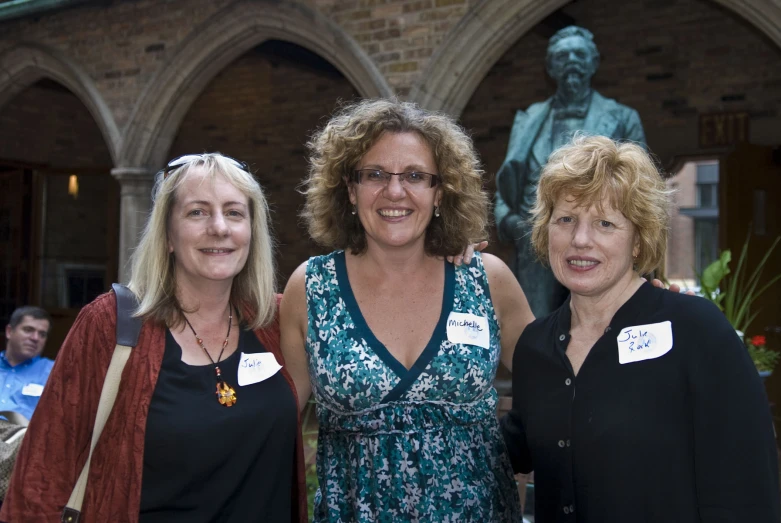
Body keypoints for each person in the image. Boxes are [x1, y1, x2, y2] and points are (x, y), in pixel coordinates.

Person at [1, 154, 307, 522]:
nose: (219, 227)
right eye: (197, 212)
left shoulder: (279, 320)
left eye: (235, 212)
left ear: (252, 232)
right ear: (167, 236)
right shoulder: (110, 324)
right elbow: (43, 472)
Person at [501, 135, 780, 522]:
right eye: (565, 219)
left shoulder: (695, 331)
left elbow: (748, 490)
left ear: (637, 240)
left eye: (605, 223)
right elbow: (519, 444)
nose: (580, 240)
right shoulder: (536, 346)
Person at [280, 98, 534, 521]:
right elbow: (272, 424)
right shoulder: (311, 288)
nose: (394, 191)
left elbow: (560, 383)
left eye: (415, 176)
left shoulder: (486, 280)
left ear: (440, 192)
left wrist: (630, 306)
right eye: (375, 175)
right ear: (349, 189)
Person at [495, 25, 646, 318]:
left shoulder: (623, 118)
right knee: (533, 335)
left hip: (596, 244)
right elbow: (505, 189)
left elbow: (642, 191)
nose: (572, 61)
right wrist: (509, 222)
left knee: (601, 330)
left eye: (580, 54)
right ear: (550, 67)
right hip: (533, 248)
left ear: (593, 63)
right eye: (563, 56)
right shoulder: (527, 120)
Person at [0, 306, 52, 421]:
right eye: (28, 330)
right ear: (9, 331)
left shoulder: (54, 372)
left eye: (42, 334)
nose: (35, 338)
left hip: (22, 436)